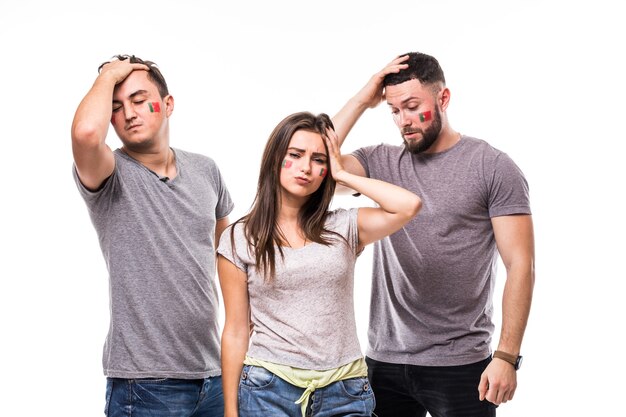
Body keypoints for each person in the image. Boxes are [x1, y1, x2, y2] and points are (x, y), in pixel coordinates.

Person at [331, 52, 535, 417]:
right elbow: (319, 166)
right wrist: (364, 98)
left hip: (462, 364)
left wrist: (506, 356)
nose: (403, 121)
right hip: (385, 360)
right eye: (394, 111)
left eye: (411, 107)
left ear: (443, 98)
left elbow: (521, 264)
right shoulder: (380, 162)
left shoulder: (492, 166)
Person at [217, 111, 421, 417]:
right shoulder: (239, 237)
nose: (306, 168)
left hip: (345, 388)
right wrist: (230, 412)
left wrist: (344, 174)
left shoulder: (344, 226)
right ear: (275, 158)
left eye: (319, 160)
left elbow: (409, 206)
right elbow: (235, 330)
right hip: (267, 388)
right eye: (296, 155)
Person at [71, 54, 233, 416]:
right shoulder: (109, 172)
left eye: (140, 100)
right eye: (116, 106)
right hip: (143, 385)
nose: (129, 113)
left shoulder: (206, 170)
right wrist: (112, 72)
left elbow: (230, 263)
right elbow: (85, 134)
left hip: (213, 375)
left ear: (168, 104)